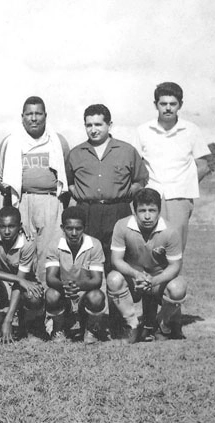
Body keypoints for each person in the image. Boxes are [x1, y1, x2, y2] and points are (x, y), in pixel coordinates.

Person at [0, 96, 70, 282]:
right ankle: (26, 299)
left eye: (38, 113)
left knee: (49, 251)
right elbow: (0, 178)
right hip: (22, 201)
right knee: (25, 249)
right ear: (22, 117)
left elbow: (67, 176)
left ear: (46, 115)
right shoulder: (10, 141)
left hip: (50, 201)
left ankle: (49, 296)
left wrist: (59, 204)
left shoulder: (58, 141)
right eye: (29, 114)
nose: (34, 118)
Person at [67, 104, 148, 273]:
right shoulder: (76, 153)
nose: (93, 129)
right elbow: (70, 183)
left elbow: (140, 179)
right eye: (89, 125)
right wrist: (83, 197)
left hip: (118, 211)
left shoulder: (127, 151)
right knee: (87, 263)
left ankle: (117, 298)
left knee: (118, 263)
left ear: (109, 125)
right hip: (87, 212)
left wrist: (125, 195)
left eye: (98, 124)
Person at [135, 82, 212, 249]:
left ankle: (173, 276)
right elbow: (135, 164)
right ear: (156, 105)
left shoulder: (191, 130)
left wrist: (185, 185)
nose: (168, 108)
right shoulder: (143, 130)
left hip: (179, 198)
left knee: (174, 249)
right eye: (163, 104)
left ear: (180, 105)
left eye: (173, 104)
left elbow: (203, 165)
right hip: (149, 198)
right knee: (148, 247)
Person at [107, 188, 186, 343]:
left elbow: (175, 266)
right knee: (113, 279)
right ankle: (133, 325)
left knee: (178, 287)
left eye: (152, 210)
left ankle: (160, 324)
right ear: (134, 211)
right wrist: (136, 275)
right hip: (134, 280)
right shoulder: (122, 226)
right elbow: (116, 260)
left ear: (159, 210)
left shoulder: (170, 231)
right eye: (142, 210)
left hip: (158, 282)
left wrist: (154, 281)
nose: (147, 216)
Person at [0, 206, 44, 343]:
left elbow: (21, 281)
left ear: (20, 226)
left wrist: (9, 319)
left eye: (11, 226)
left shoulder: (28, 242)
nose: (7, 231)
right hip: (3, 283)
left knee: (34, 296)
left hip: (22, 283)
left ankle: (27, 325)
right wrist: (17, 280)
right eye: (2, 227)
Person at [45, 207, 107, 344]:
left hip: (84, 296)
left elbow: (97, 280)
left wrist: (78, 286)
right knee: (51, 295)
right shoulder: (55, 244)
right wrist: (65, 286)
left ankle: (90, 329)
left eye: (78, 228)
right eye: (69, 228)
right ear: (62, 228)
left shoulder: (94, 244)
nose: (74, 233)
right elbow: (50, 278)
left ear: (84, 227)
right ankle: (58, 328)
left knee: (97, 296)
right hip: (64, 294)